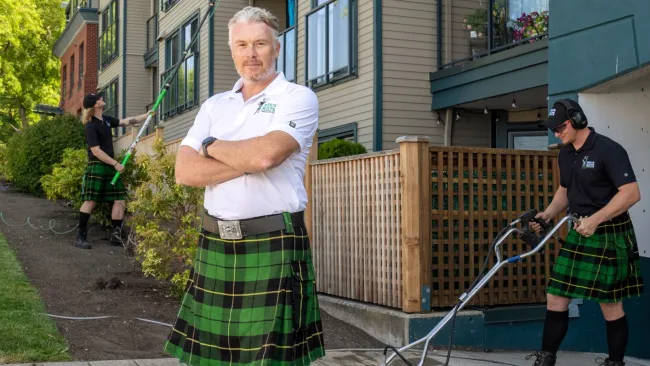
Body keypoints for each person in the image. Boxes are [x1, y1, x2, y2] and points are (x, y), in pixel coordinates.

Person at [163, 6, 325, 366]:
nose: (250, 54)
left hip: (274, 244)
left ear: (276, 48)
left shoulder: (297, 98)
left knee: (271, 361)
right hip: (215, 243)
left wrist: (210, 146)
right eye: (241, 45)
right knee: (209, 361)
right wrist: (244, 158)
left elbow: (266, 157)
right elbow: (185, 172)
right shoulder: (214, 105)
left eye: (259, 44)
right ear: (231, 49)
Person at [528, 99, 644, 366]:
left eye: (561, 127)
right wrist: (547, 214)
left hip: (609, 233)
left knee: (610, 303)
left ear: (578, 120)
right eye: (553, 129)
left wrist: (595, 219)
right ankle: (546, 359)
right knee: (555, 295)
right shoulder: (565, 153)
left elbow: (631, 193)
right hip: (580, 231)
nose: (557, 133)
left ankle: (615, 363)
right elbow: (565, 191)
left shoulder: (608, 149)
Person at [75, 93, 153, 249]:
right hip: (98, 165)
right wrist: (116, 164)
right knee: (90, 200)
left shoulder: (107, 121)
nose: (102, 98)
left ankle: (115, 233)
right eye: (99, 98)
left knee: (119, 199)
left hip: (110, 166)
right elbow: (96, 151)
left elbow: (125, 121)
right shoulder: (91, 126)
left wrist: (147, 115)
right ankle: (80, 235)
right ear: (95, 105)